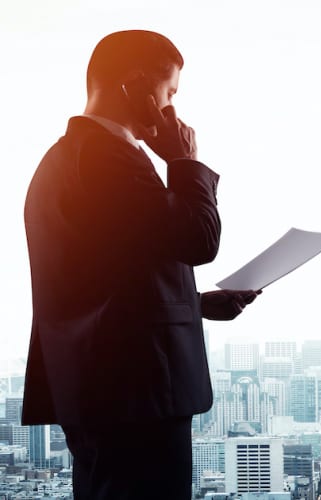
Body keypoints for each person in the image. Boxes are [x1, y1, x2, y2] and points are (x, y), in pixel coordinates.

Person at [21, 30, 259, 499]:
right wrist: (184, 160)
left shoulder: (62, 159)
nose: (172, 110)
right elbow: (198, 239)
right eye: (169, 93)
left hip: (101, 390)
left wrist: (195, 303)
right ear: (134, 84)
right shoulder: (110, 158)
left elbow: (104, 276)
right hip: (139, 393)